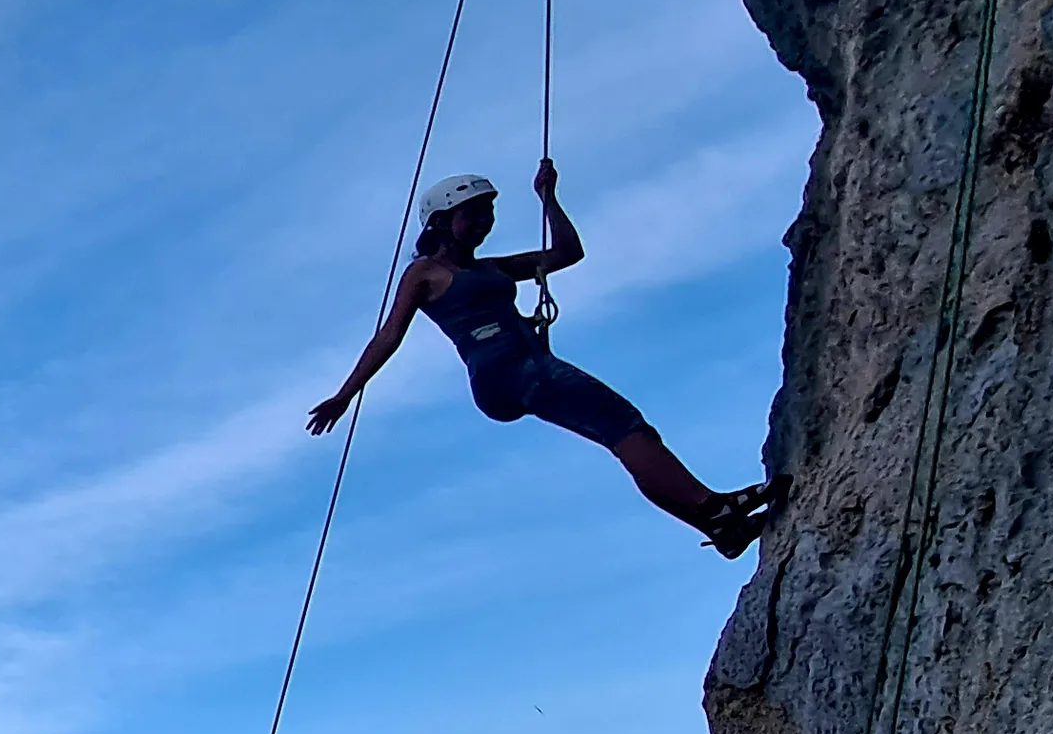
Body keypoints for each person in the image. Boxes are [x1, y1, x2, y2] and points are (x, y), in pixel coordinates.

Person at [308, 160, 779, 556]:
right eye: (473, 215)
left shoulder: (491, 268)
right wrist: (344, 395)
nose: (485, 223)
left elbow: (567, 253)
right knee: (622, 422)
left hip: (513, 373)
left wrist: (548, 198)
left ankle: (719, 527)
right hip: (508, 370)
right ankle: (711, 508)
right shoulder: (425, 272)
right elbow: (389, 335)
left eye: (488, 213)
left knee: (620, 434)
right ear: (440, 222)